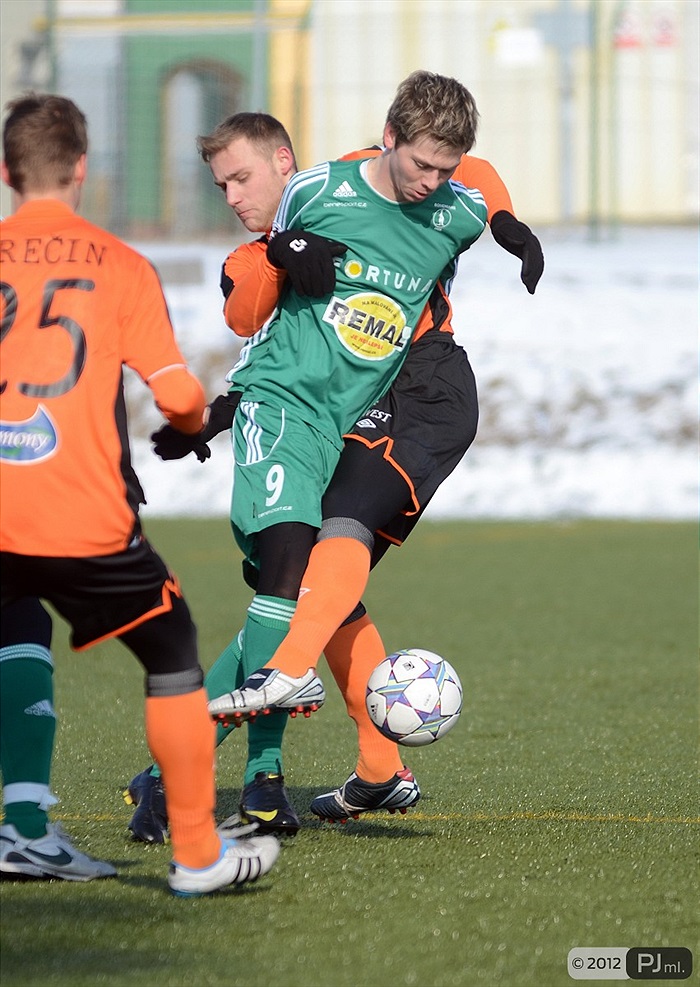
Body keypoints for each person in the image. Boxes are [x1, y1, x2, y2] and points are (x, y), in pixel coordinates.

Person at [127, 82, 543, 837]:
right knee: (308, 581)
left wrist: (511, 223)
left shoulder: (439, 197)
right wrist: (228, 398)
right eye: (221, 184)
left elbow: (474, 182)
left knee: (322, 577)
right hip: (321, 409)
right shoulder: (317, 198)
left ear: (281, 161)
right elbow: (254, 312)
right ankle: (311, 772)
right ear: (387, 140)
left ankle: (258, 755)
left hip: (391, 401)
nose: (432, 181)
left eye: (242, 178)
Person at [0, 92, 279, 895]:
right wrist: (191, 418)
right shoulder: (119, 265)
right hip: (81, 515)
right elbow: (180, 397)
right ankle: (196, 853)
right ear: (82, 168)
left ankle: (21, 827)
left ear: (9, 172)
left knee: (16, 623)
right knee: (171, 648)